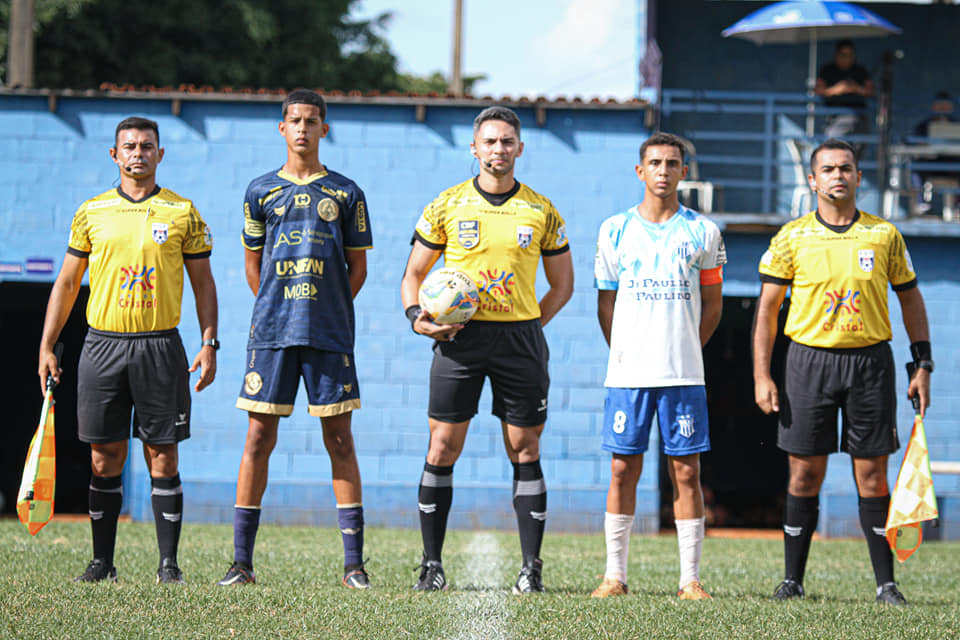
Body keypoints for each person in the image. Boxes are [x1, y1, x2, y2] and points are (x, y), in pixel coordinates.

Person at [400, 105, 574, 593]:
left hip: (520, 339)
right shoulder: (447, 205)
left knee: (525, 447)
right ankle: (431, 567)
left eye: (507, 142)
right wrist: (419, 319)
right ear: (473, 149)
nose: (498, 150)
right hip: (461, 339)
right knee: (442, 445)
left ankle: (530, 570)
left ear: (520, 148)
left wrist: (528, 325)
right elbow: (413, 277)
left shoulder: (541, 210)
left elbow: (562, 286)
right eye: (490, 142)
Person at [38, 116, 219, 584]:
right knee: (104, 456)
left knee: (164, 455)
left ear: (160, 155)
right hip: (103, 346)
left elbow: (203, 283)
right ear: (115, 155)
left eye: (147, 146)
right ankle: (102, 563)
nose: (138, 153)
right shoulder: (91, 211)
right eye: (129, 146)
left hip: (161, 346)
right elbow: (67, 282)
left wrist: (209, 340)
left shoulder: (183, 212)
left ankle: (168, 566)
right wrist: (48, 344)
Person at [753, 138, 932, 606]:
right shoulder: (790, 237)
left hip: (870, 362)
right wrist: (761, 375)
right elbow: (767, 313)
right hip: (808, 362)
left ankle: (886, 585)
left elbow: (910, 299)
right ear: (812, 180)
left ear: (857, 177)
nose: (837, 175)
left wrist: (922, 364)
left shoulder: (884, 235)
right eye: (828, 169)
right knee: (803, 476)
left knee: (872, 477)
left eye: (846, 168)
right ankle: (792, 581)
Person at [217, 89, 373, 589]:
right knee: (258, 438)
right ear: (281, 129)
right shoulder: (259, 190)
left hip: (328, 332)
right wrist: (278, 307)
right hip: (272, 334)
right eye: (294, 120)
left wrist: (324, 306)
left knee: (340, 439)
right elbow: (252, 267)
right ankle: (241, 563)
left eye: (311, 120)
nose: (303, 128)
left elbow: (358, 268)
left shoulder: (347, 192)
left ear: (323, 129)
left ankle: (354, 566)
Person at [590, 132, 725, 601]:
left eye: (672, 163)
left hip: (682, 373)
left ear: (684, 171)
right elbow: (606, 305)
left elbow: (712, 305)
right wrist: (626, 349)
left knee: (686, 472)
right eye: (655, 162)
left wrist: (687, 345)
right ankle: (614, 576)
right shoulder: (614, 230)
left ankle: (690, 579)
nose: (664, 171)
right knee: (622, 470)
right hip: (628, 374)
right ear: (640, 170)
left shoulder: (704, 232)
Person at [815, 40, 874, 145]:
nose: (847, 58)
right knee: (833, 148)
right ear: (836, 55)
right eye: (843, 55)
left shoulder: (860, 70)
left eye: (850, 55)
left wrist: (856, 89)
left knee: (856, 155)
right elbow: (818, 90)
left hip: (858, 117)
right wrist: (836, 89)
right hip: (835, 119)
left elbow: (871, 91)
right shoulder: (827, 70)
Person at [911, 92, 960, 214]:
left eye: (946, 106)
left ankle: (958, 206)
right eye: (940, 106)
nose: (943, 109)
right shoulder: (923, 126)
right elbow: (916, 145)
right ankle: (921, 203)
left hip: (952, 164)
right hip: (931, 163)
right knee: (916, 167)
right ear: (934, 107)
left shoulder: (957, 125)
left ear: (951, 108)